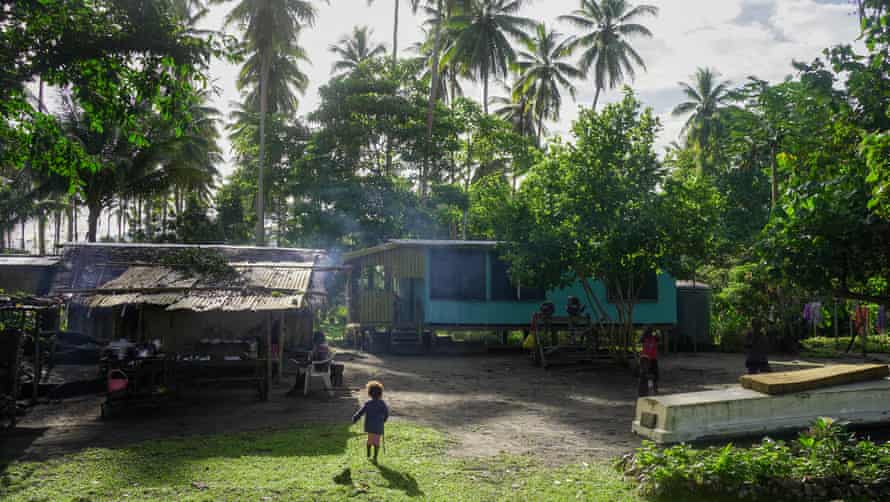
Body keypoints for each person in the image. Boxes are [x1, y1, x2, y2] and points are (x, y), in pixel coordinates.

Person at [353, 380, 389, 462]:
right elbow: (386, 412)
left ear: (369, 393)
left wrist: (355, 418)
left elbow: (361, 412)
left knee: (370, 439)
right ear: (380, 393)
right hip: (378, 425)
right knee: (376, 441)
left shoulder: (368, 403)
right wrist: (384, 419)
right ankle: (375, 456)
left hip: (369, 425)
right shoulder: (382, 403)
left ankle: (368, 452)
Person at [638, 328, 659, 396]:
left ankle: (653, 389)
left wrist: (655, 332)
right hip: (646, 359)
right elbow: (640, 342)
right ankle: (647, 390)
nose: (651, 334)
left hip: (651, 359)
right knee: (646, 375)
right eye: (649, 332)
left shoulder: (654, 338)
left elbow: (658, 337)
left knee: (653, 376)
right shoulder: (645, 339)